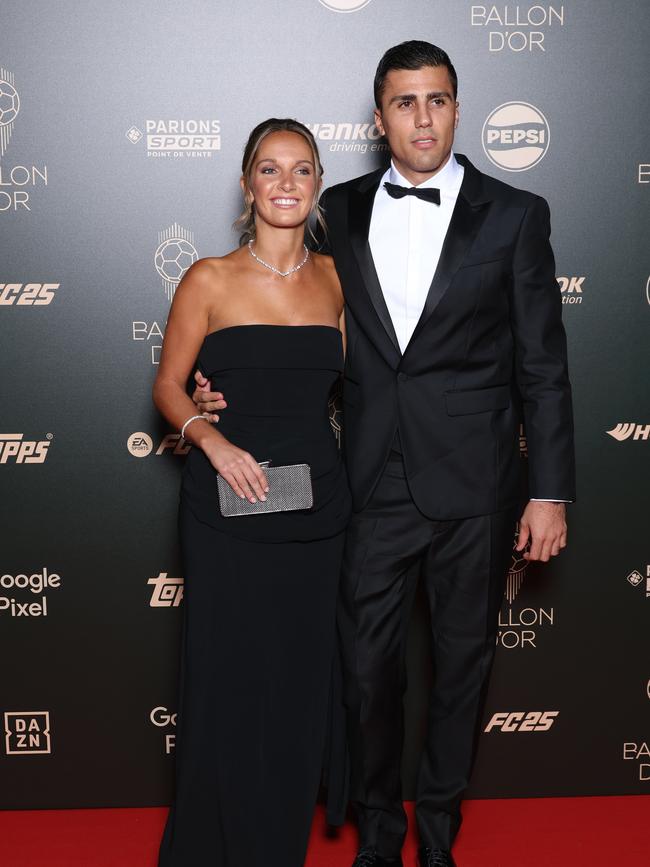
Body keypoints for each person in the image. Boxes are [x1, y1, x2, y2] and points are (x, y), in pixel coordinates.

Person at [193, 41, 575, 867]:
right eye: (404, 103)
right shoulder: (341, 208)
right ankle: (377, 834)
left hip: (477, 484)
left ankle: (436, 834)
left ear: (458, 109)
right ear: (379, 118)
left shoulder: (515, 214)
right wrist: (212, 392)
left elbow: (544, 366)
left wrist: (550, 492)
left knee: (462, 672)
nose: (422, 118)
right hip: (368, 480)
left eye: (436, 100)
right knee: (366, 673)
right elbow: (278, 309)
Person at [152, 117, 351, 867]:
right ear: (246, 185)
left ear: (319, 183)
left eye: (302, 169)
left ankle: (275, 843)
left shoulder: (337, 279)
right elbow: (170, 386)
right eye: (270, 170)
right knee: (226, 682)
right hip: (224, 510)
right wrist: (209, 434)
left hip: (316, 511)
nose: (287, 184)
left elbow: (374, 387)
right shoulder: (207, 277)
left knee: (300, 685)